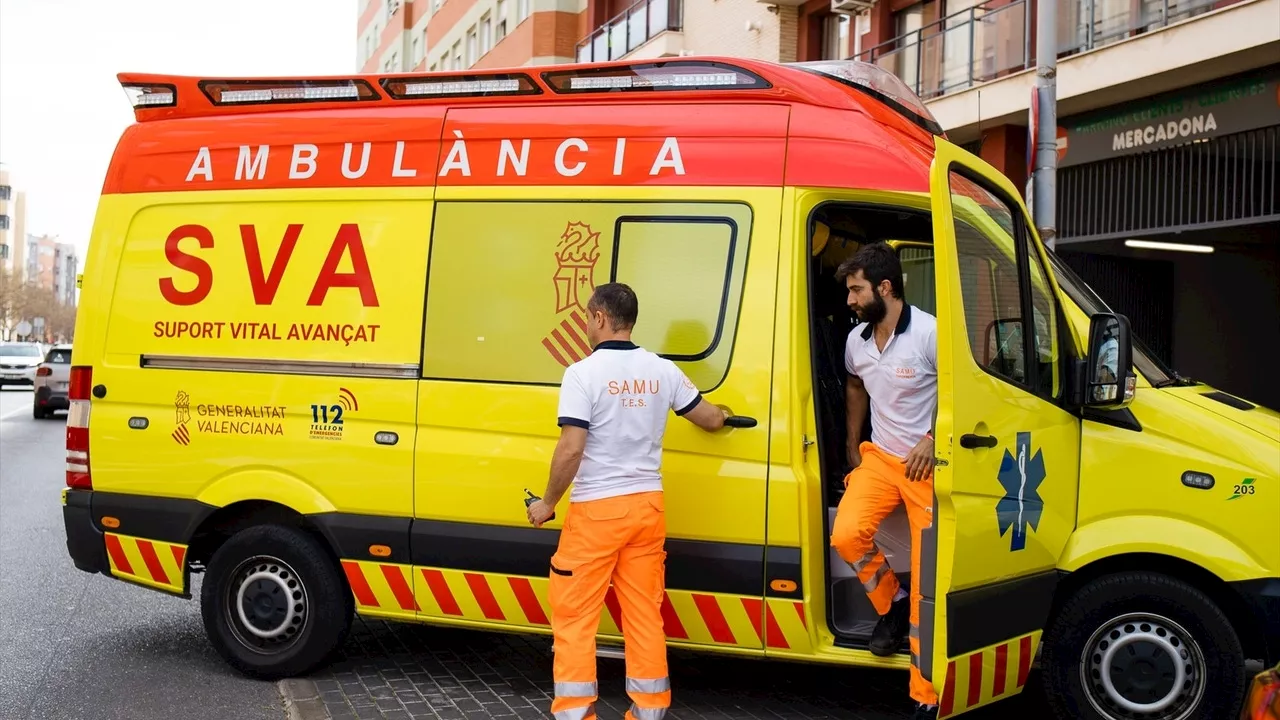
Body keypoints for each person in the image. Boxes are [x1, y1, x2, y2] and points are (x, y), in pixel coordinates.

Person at [526, 282, 729, 720]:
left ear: (599, 318)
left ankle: (577, 713)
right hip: (647, 509)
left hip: (598, 511)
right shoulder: (662, 370)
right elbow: (709, 418)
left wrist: (547, 502)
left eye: (586, 316)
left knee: (576, 615)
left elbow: (571, 448)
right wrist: (727, 415)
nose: (585, 324)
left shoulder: (582, 373)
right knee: (643, 614)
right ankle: (649, 710)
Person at [829, 243, 940, 720]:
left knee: (928, 582)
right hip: (879, 460)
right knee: (846, 535)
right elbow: (855, 385)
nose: (850, 300)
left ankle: (924, 695)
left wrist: (934, 438)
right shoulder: (857, 341)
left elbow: (963, 391)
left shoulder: (931, 334)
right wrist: (855, 444)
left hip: (926, 466)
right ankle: (890, 602)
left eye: (856, 290)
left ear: (885, 287)